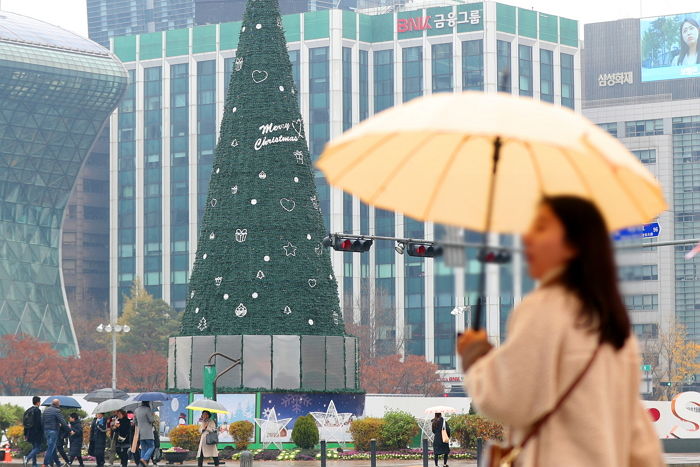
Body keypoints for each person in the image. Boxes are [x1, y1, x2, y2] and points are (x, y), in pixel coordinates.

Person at [457, 196, 664, 467]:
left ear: (574, 244)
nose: (527, 237)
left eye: (541, 227)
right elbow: (637, 434)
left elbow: (508, 401)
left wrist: (476, 359)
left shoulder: (543, 309)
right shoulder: (615, 326)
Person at [42, 399, 68, 467]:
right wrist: (69, 430)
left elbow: (42, 421)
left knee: (52, 448)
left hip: (46, 431)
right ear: (57, 404)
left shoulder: (46, 410)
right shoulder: (57, 411)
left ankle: (58, 463)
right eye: (59, 403)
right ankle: (45, 463)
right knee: (51, 448)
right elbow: (63, 421)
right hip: (53, 431)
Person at [23, 396, 43, 467]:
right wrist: (41, 432)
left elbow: (25, 423)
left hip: (29, 432)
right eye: (40, 402)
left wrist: (25, 434)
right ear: (38, 402)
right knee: (37, 448)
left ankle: (34, 464)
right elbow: (38, 423)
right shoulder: (37, 410)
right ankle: (27, 458)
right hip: (36, 432)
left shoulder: (28, 410)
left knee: (34, 448)